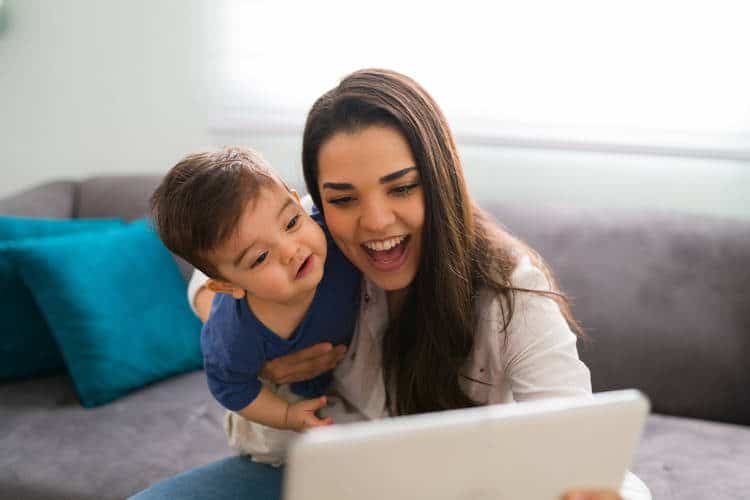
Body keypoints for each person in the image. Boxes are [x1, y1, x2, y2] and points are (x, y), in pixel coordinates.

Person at [132, 69, 650, 499]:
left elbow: (583, 444)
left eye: (401, 187)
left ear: (440, 179)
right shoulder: (313, 242)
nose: (376, 222)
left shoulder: (510, 290)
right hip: (321, 472)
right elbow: (218, 266)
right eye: (343, 199)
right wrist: (246, 323)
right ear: (317, 201)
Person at [149, 147, 361, 465]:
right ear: (227, 285)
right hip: (286, 391)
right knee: (279, 442)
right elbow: (232, 388)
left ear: (298, 202)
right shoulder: (232, 336)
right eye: (260, 257)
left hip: (344, 369)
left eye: (291, 222)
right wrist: (287, 415)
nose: (291, 250)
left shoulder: (335, 235)